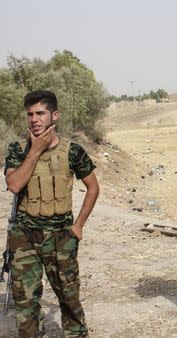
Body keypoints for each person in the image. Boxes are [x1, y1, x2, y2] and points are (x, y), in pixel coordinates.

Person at [4, 90, 100, 337]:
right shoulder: (18, 149)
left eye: (40, 113)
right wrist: (35, 150)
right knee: (25, 302)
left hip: (61, 236)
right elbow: (14, 185)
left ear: (54, 115)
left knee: (69, 298)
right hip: (25, 235)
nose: (34, 119)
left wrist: (78, 225)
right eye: (30, 114)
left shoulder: (73, 151)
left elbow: (93, 187)